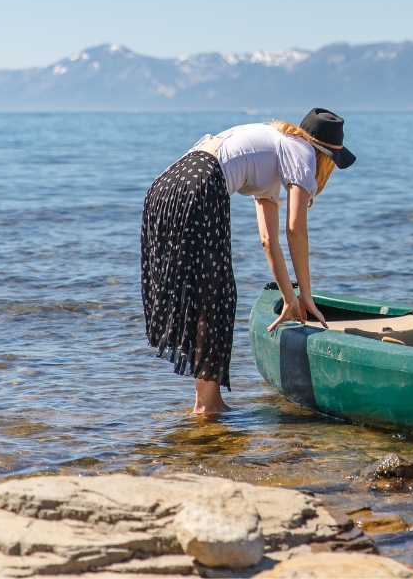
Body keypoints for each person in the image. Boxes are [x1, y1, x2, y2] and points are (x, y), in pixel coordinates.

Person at [140, 108, 356, 415]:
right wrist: (306, 294)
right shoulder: (302, 151)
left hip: (165, 187)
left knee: (201, 288)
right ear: (324, 155)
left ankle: (204, 401)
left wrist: (289, 297)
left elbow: (269, 241)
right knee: (216, 294)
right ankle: (208, 404)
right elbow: (295, 228)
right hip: (201, 183)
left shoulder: (274, 148)